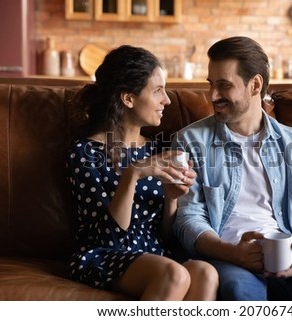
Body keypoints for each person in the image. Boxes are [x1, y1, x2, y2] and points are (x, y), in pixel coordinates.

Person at [172, 36, 292, 301]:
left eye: (224, 86)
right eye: (211, 85)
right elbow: (188, 219)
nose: (212, 96)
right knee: (241, 294)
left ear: (255, 85)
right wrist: (232, 253)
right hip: (227, 256)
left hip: (286, 252)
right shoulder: (191, 141)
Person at [65, 45, 218, 300]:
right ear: (128, 98)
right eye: (158, 91)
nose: (167, 100)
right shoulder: (85, 153)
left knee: (205, 272)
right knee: (174, 274)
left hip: (155, 253)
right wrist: (132, 173)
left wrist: (171, 198)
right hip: (104, 255)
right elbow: (109, 239)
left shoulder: (158, 149)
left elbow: (166, 236)